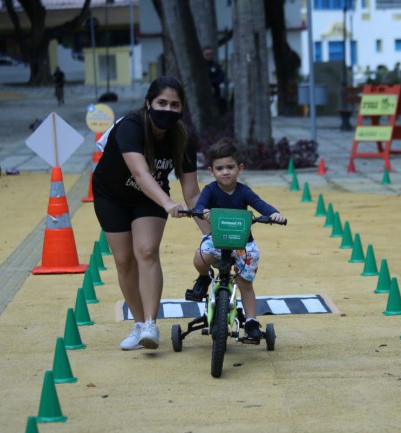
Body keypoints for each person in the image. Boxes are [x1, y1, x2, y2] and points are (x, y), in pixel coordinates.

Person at [93, 76, 209, 351]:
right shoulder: (131, 126)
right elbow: (139, 172)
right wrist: (168, 203)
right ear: (148, 103)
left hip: (150, 198)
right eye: (161, 103)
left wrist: (210, 235)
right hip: (112, 195)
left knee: (146, 251)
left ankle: (150, 324)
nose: (167, 109)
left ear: (182, 109)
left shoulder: (182, 138)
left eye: (174, 105)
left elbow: (192, 193)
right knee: (123, 261)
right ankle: (137, 322)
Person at [184, 138, 286, 343]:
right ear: (211, 171)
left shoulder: (244, 191)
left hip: (243, 243)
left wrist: (274, 214)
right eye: (219, 168)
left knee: (245, 283)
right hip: (217, 239)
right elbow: (201, 204)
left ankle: (251, 321)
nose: (225, 172)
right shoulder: (210, 190)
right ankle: (204, 278)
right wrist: (202, 211)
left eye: (230, 167)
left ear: (239, 168)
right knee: (200, 257)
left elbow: (260, 204)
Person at [202, 46, 226, 114]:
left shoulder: (216, 65)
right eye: (207, 54)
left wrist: (213, 83)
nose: (209, 56)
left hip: (215, 92)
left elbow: (221, 76)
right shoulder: (200, 66)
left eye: (211, 54)